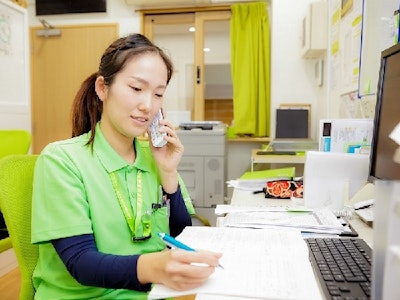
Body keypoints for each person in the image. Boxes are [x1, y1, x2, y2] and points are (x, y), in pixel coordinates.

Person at [31, 33, 222, 299]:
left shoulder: (153, 156)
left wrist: (168, 173)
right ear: (102, 88)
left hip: (150, 294)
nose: (148, 106)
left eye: (158, 94)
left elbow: (180, 234)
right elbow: (80, 262)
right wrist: (153, 268)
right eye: (136, 88)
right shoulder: (61, 161)